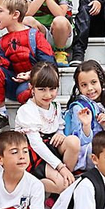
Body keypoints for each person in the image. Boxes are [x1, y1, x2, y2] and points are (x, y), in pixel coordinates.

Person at [0, 0, 55, 133]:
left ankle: (38, 116)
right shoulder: (1, 42)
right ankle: (0, 115)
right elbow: (5, 64)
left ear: (15, 14)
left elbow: (49, 64)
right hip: (14, 81)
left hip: (33, 83)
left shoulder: (34, 36)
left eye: (0, 11)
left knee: (24, 93)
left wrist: (32, 75)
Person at [14, 63, 77, 196]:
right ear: (32, 88)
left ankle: (59, 187)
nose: (48, 94)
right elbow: (36, 144)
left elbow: (60, 126)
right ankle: (27, 184)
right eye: (42, 89)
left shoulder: (55, 105)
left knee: (73, 142)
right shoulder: (27, 110)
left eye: (52, 89)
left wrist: (60, 134)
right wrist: (61, 167)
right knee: (63, 185)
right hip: (34, 156)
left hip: (51, 148)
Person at [64, 61, 105, 171]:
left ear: (101, 82)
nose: (90, 88)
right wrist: (86, 126)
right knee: (96, 152)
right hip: (87, 154)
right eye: (84, 85)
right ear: (78, 87)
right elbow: (78, 142)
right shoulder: (78, 107)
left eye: (93, 82)